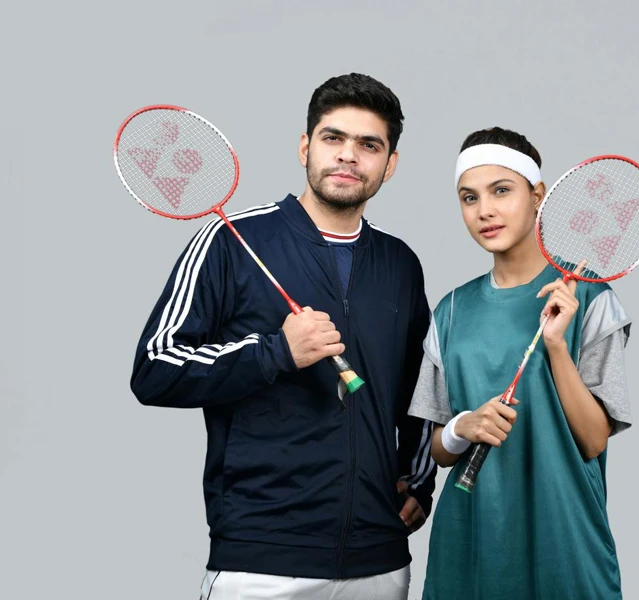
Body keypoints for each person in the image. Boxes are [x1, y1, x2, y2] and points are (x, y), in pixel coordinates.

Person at [130, 73, 436, 600]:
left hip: (380, 559)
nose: (348, 156)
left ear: (390, 164)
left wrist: (419, 481)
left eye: (369, 145)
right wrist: (275, 351)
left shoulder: (400, 263)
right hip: (262, 557)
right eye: (332, 138)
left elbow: (421, 388)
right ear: (305, 147)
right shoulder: (230, 240)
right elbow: (155, 370)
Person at [408, 127, 634, 599]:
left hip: (563, 542)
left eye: (501, 191)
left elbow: (593, 440)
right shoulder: (449, 312)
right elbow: (439, 449)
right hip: (470, 541)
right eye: (469, 198)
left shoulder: (588, 295)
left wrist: (556, 345)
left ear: (538, 196)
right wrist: (462, 426)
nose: (484, 210)